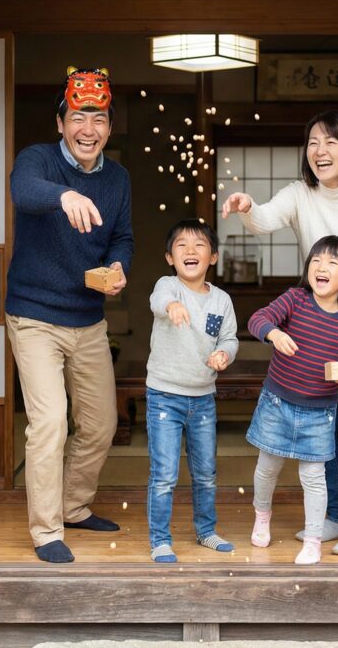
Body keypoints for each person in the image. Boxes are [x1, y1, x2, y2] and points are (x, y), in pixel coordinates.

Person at [221, 109, 338, 556]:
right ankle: (335, 515)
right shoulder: (300, 194)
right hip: (322, 319)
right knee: (326, 419)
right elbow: (264, 218)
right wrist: (246, 207)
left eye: (330, 141)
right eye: (313, 142)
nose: (319, 151)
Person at [5, 66, 134, 564]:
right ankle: (46, 530)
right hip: (34, 316)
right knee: (49, 422)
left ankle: (74, 507)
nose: (88, 129)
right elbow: (23, 191)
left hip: (88, 317)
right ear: (60, 122)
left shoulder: (117, 178)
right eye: (79, 117)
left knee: (101, 423)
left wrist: (118, 267)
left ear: (109, 126)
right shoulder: (36, 160)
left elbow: (122, 237)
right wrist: (65, 194)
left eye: (99, 119)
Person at [246, 235, 338, 565]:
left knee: (314, 478)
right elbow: (257, 319)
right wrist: (274, 333)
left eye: (332, 262)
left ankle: (313, 540)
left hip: (320, 412)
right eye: (316, 260)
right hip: (277, 403)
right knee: (267, 469)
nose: (321, 267)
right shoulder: (295, 299)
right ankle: (262, 516)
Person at [146, 219, 238, 564]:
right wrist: (172, 306)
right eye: (181, 245)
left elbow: (229, 338)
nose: (190, 250)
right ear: (170, 257)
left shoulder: (222, 300)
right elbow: (159, 300)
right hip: (164, 397)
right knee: (164, 475)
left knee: (206, 473)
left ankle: (206, 530)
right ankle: (160, 540)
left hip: (203, 399)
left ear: (212, 257)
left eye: (199, 245)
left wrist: (224, 353)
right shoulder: (168, 286)